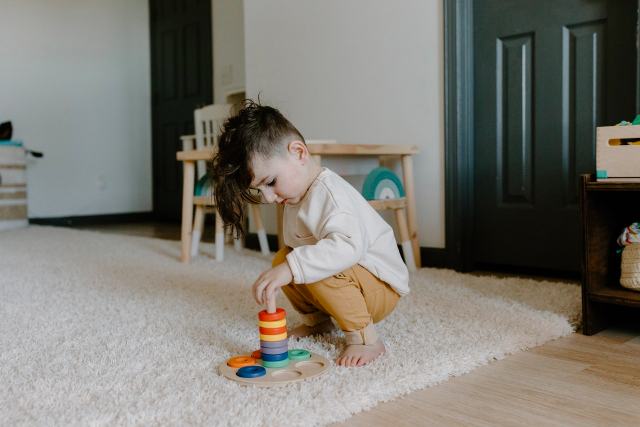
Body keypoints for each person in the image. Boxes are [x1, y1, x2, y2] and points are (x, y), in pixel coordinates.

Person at [212, 100, 409, 367]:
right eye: (261, 190)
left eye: (270, 183)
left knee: (305, 265)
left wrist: (292, 268)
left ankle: (367, 339)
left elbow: (346, 249)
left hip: (380, 288)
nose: (269, 197)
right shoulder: (294, 198)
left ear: (299, 153)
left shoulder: (331, 195)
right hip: (349, 281)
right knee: (286, 259)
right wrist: (288, 266)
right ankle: (318, 321)